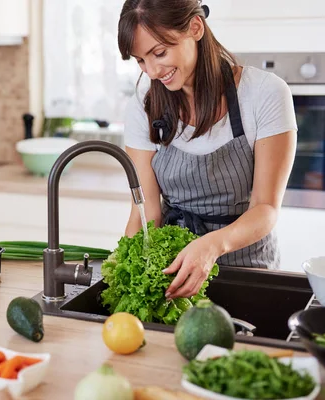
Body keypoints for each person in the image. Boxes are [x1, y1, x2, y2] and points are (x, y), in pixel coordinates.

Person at [118, 0, 298, 300]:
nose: (151, 71)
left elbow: (265, 208)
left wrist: (212, 245)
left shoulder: (264, 93)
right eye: (140, 60)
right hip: (175, 273)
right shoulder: (145, 103)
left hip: (247, 270)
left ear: (196, 28)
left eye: (159, 53)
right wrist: (128, 273)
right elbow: (147, 211)